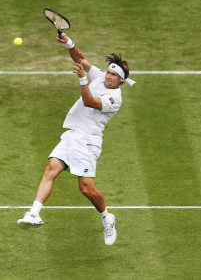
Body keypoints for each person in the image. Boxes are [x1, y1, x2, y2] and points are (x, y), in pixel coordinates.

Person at [17, 33, 135, 246]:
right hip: (72, 135)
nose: (108, 76)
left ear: (121, 81)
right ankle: (34, 213)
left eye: (113, 75)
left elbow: (89, 102)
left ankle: (107, 218)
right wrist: (69, 43)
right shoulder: (99, 76)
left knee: (86, 189)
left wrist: (82, 79)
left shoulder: (115, 99)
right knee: (51, 168)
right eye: (108, 72)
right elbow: (81, 59)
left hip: (88, 142)